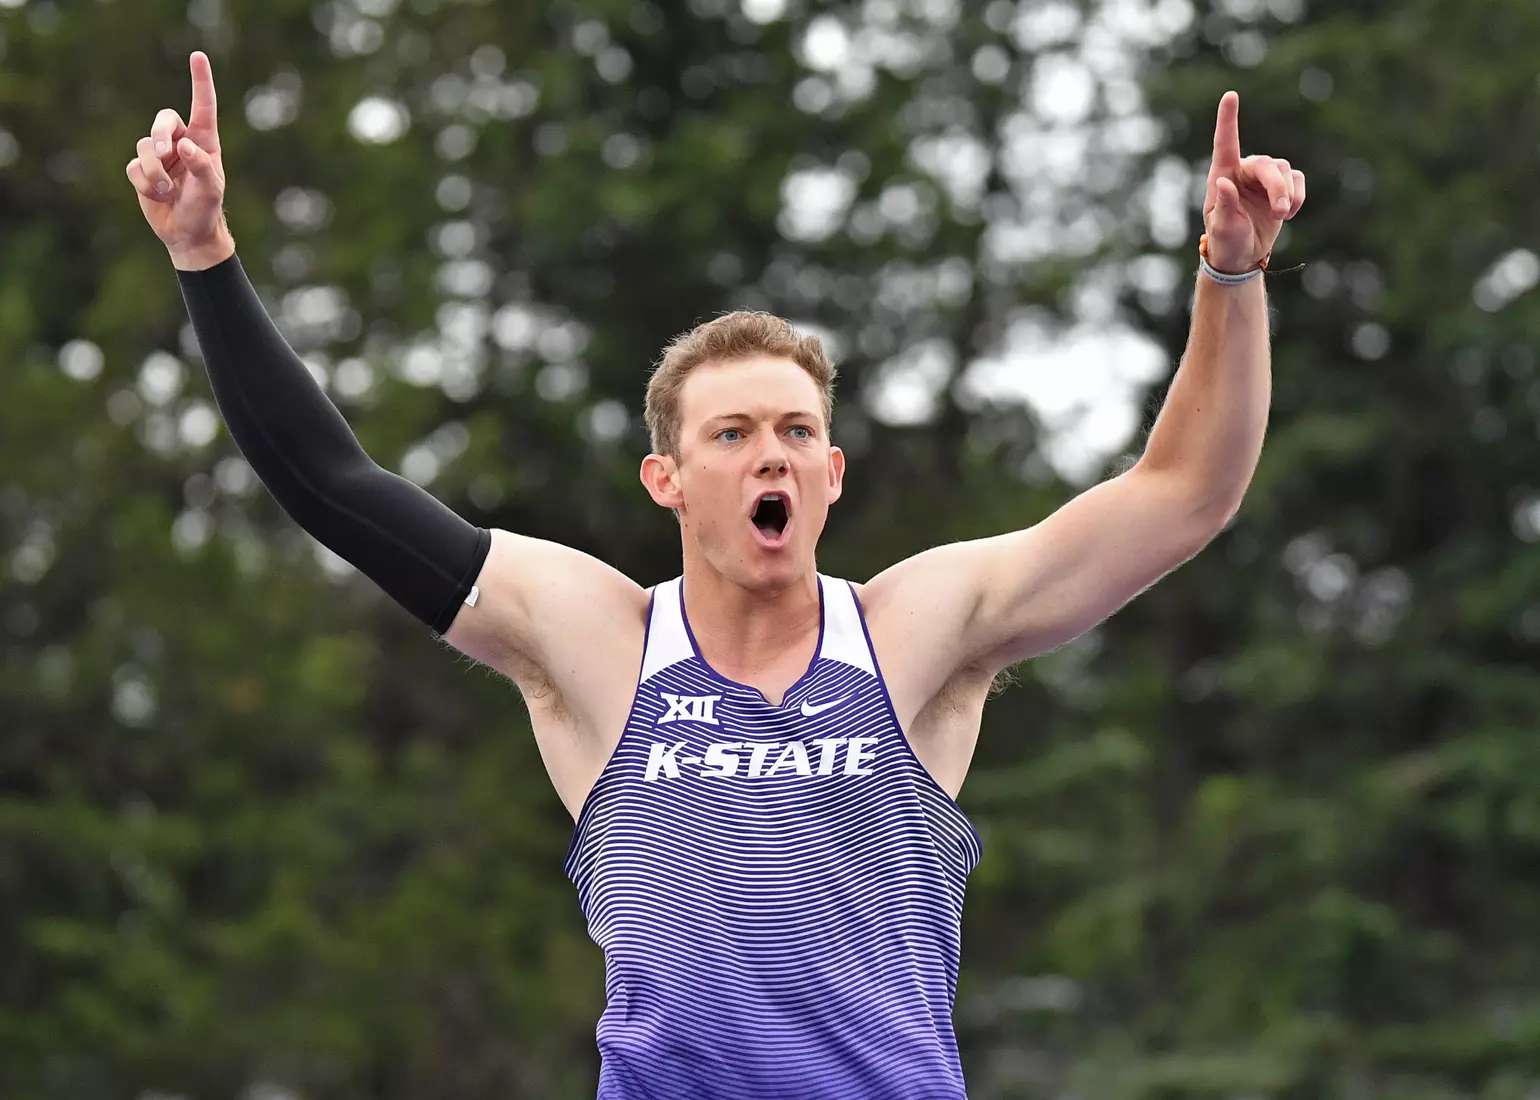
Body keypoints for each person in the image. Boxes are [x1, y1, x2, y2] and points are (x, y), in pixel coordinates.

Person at [126, 50, 1307, 1100]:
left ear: (832, 474)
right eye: (731, 433)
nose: (768, 455)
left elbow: (1182, 494)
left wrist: (1232, 274)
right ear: (667, 480)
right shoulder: (599, 642)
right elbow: (333, 483)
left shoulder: (914, 630)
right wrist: (204, 254)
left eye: (794, 430)